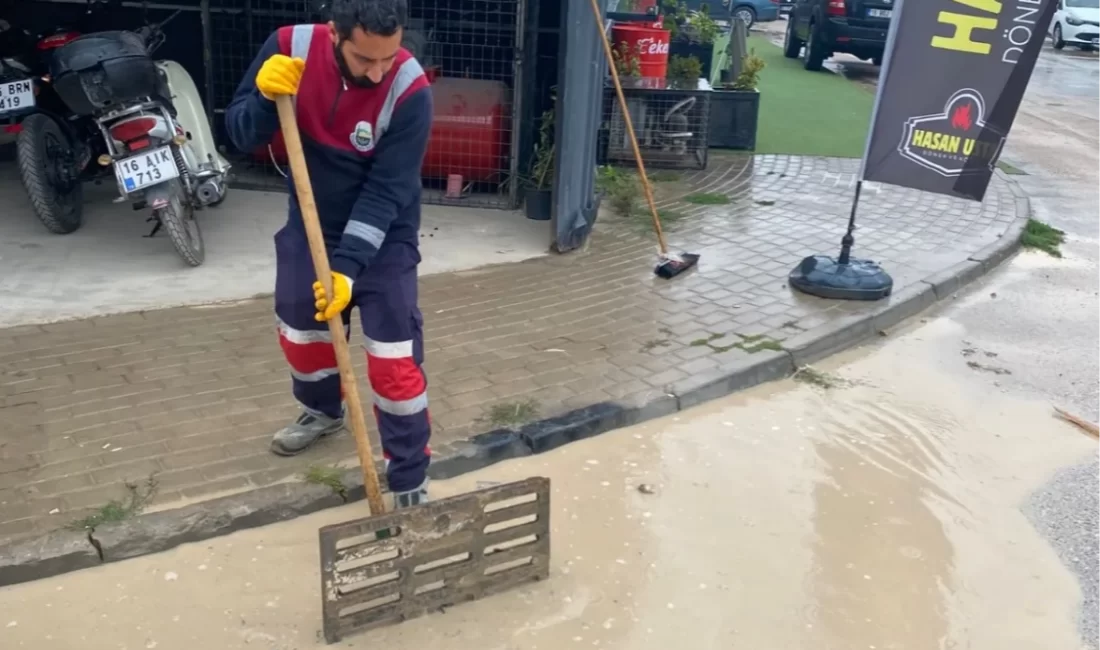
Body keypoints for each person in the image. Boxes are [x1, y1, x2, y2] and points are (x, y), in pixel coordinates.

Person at [224, 0, 433, 509]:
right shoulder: (287, 49)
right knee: (303, 331)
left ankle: (409, 479)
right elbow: (239, 136)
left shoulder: (410, 89)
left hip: (385, 237)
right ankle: (322, 412)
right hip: (311, 221)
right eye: (365, 59)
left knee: (393, 362)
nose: (379, 70)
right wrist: (262, 98)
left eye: (389, 56)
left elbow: (387, 192)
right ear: (334, 33)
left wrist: (346, 269)